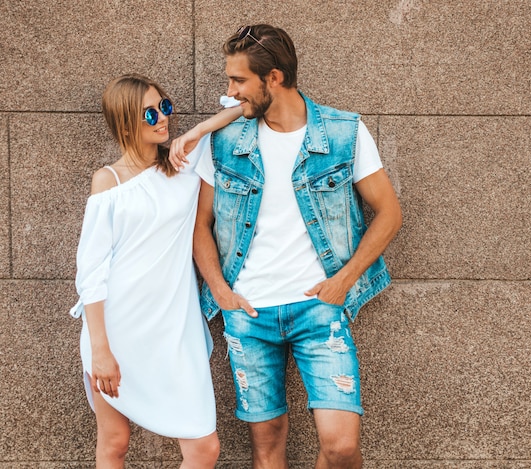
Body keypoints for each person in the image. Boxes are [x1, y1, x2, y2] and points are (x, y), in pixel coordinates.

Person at [169, 24, 402, 469]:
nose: (230, 91)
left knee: (341, 447)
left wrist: (343, 282)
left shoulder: (343, 133)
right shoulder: (223, 142)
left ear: (272, 78)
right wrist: (220, 291)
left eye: (238, 81)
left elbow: (389, 214)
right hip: (249, 313)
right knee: (267, 446)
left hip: (320, 310)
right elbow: (200, 225)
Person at [70, 73, 242, 469]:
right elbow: (91, 271)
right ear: (126, 122)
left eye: (164, 106)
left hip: (173, 331)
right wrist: (101, 351)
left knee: (204, 449)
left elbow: (243, 108)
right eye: (150, 113)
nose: (163, 118)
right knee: (114, 442)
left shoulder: (185, 162)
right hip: (117, 332)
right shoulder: (107, 181)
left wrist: (197, 130)